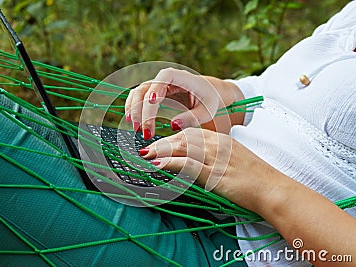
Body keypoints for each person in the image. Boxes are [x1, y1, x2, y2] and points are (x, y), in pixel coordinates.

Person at [125, 1, 356, 266]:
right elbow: (264, 91)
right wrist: (221, 96)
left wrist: (265, 186)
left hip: (244, 254)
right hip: (195, 191)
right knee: (69, 157)